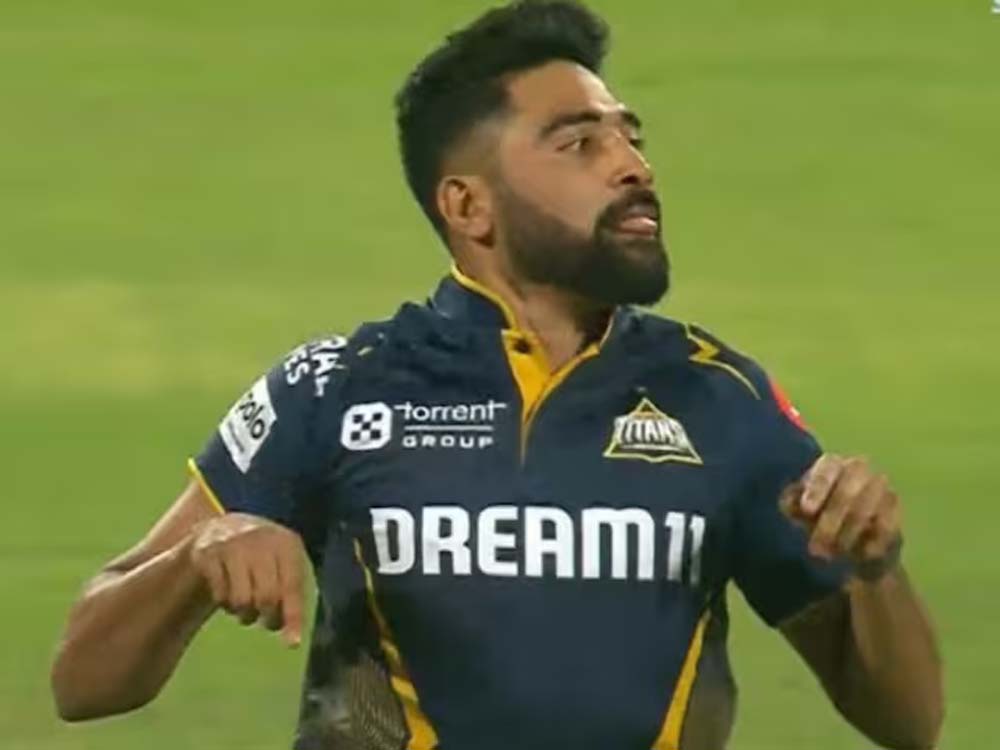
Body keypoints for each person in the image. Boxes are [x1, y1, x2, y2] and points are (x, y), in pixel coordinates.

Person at [51, 2, 944, 749]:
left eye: (629, 137)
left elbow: (908, 722)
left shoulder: (719, 399)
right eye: (579, 144)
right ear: (468, 205)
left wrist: (877, 569)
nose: (634, 167)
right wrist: (198, 557)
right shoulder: (336, 389)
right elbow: (83, 681)